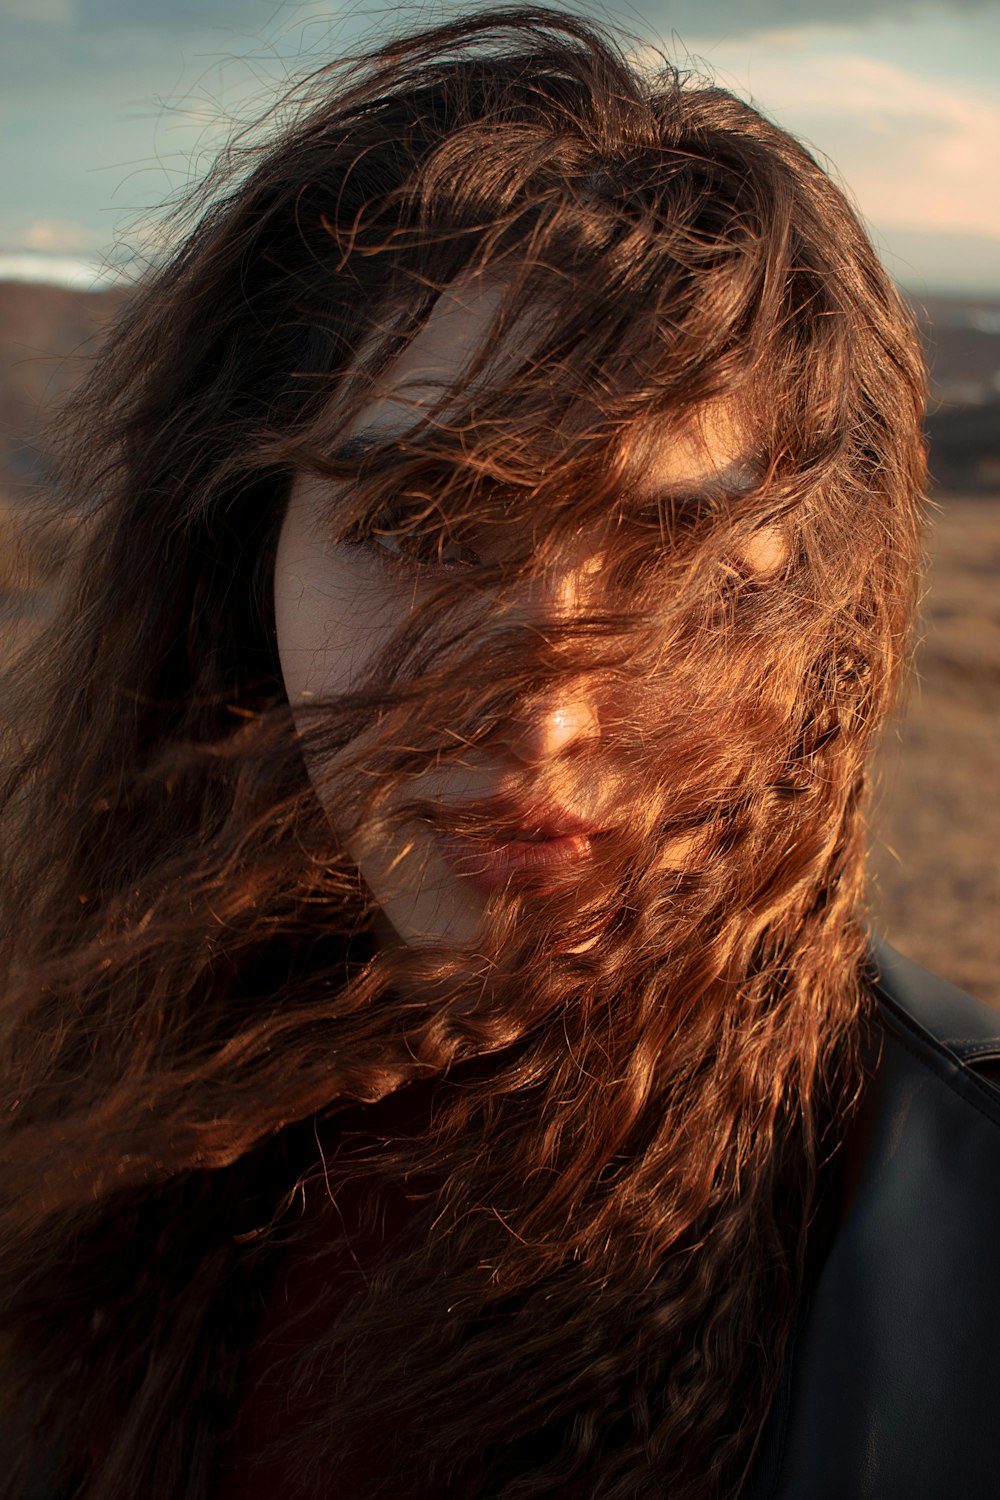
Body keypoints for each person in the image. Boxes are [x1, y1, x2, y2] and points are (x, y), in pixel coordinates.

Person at [1, 8, 998, 1499]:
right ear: (237, 565)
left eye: (682, 565)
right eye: (425, 527)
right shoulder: (69, 1096)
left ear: (822, 631)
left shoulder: (960, 1252)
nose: (546, 717)